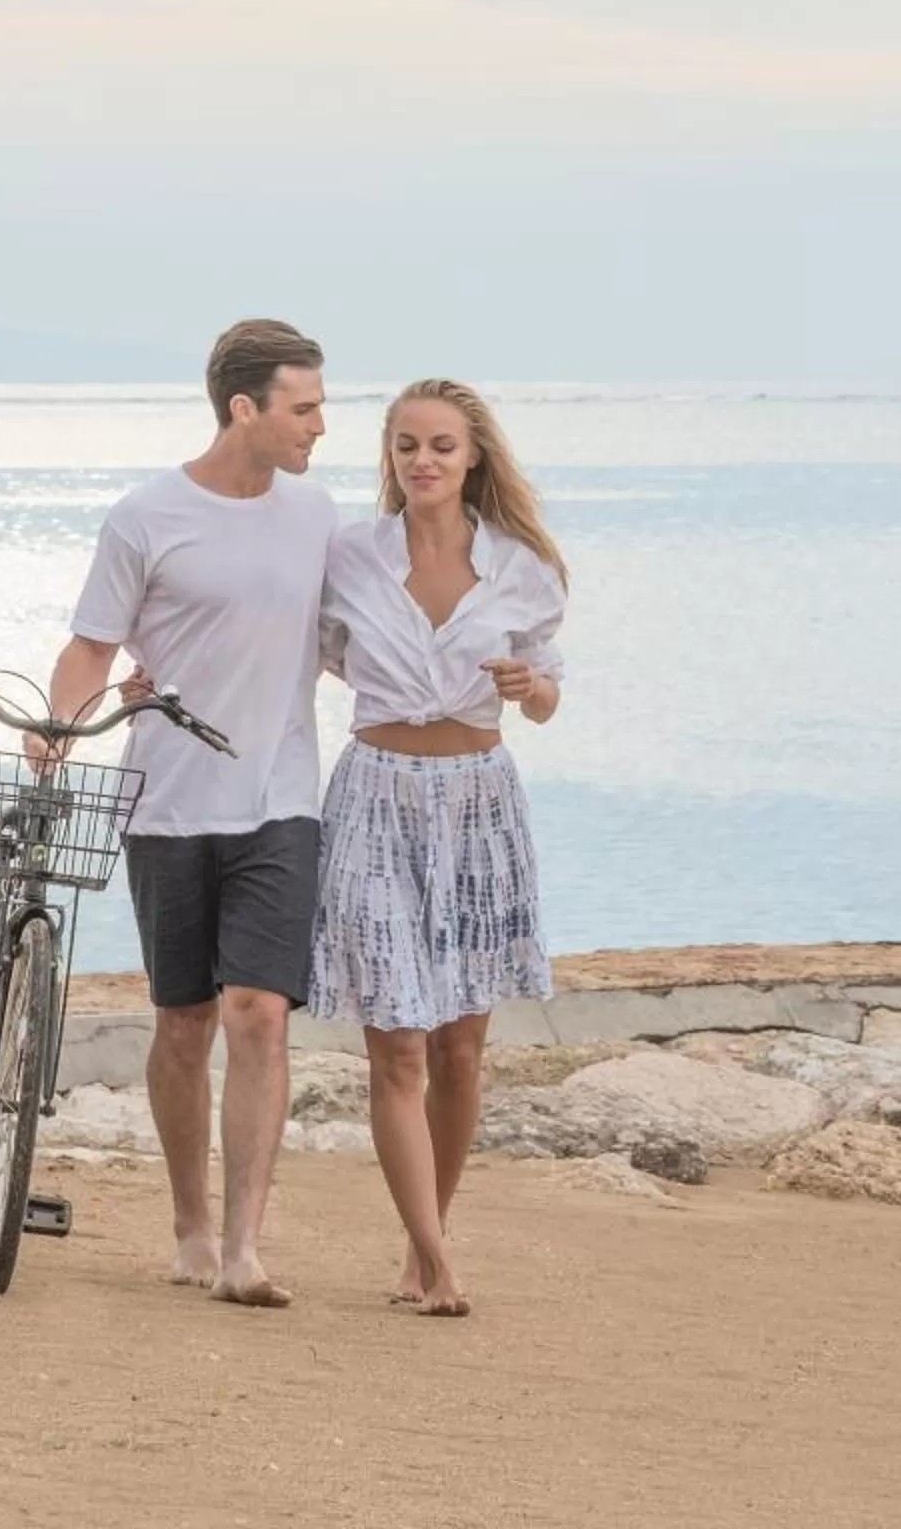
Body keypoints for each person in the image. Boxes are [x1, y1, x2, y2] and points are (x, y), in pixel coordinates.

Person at [42, 318, 336, 1308]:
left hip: (282, 798)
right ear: (243, 408)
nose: (321, 426)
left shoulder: (318, 515)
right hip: (168, 802)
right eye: (305, 407)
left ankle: (247, 1246)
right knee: (184, 1021)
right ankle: (190, 1223)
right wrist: (57, 721)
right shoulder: (146, 515)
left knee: (259, 1013)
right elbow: (92, 644)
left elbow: (349, 633)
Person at [314, 377, 567, 1318]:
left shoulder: (523, 568)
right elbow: (306, 650)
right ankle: (438, 1262)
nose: (422, 461)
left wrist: (523, 684)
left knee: (461, 1050)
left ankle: (424, 1247)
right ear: (389, 457)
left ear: (474, 460)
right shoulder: (347, 557)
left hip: (480, 805)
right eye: (407, 445)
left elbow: (546, 697)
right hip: (375, 799)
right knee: (399, 1049)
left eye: (442, 447)